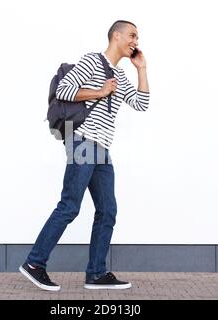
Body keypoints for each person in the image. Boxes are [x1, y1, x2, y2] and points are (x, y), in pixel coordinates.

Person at [19, 20, 150, 291]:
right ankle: (34, 263)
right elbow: (64, 90)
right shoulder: (93, 61)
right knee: (70, 205)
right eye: (132, 35)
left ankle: (96, 274)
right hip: (83, 143)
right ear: (116, 36)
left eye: (137, 37)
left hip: (101, 148)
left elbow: (141, 104)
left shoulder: (121, 75)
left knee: (107, 211)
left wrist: (142, 69)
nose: (136, 41)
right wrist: (100, 91)